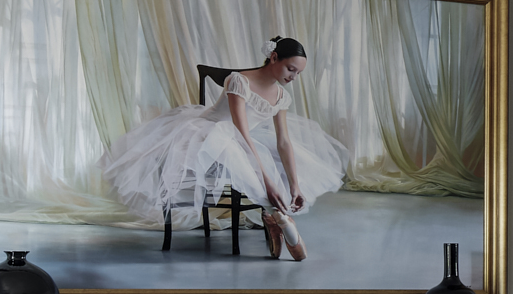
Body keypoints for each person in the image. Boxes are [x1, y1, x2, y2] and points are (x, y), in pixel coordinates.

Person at [92, 36, 351, 260]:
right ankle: (279, 217)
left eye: (298, 73)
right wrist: (268, 182)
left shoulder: (282, 96)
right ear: (274, 58)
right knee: (244, 157)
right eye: (290, 69)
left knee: (281, 159)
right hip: (210, 137)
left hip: (244, 139)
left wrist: (295, 186)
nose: (293, 77)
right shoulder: (239, 81)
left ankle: (274, 217)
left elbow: (283, 141)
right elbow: (239, 132)